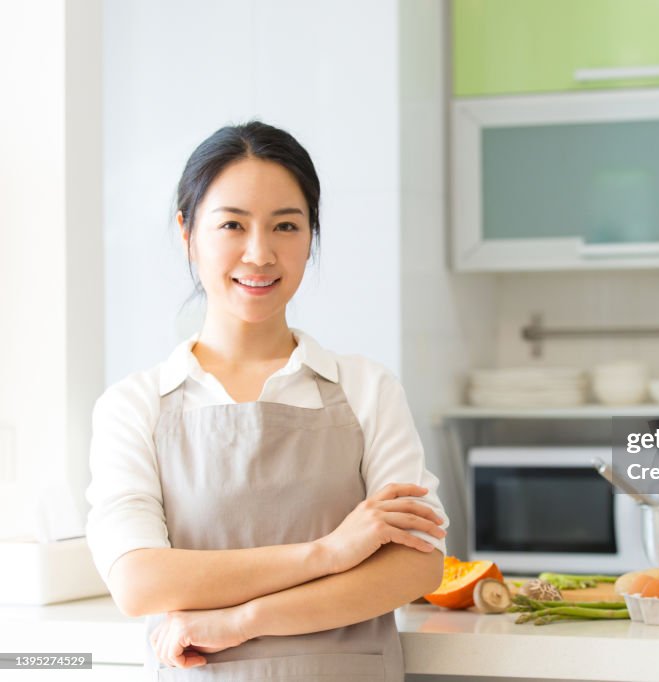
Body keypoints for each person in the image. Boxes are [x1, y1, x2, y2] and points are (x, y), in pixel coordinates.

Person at [85, 121, 447, 681]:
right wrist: (329, 553)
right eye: (232, 224)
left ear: (311, 237)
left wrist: (241, 621)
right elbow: (139, 582)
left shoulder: (367, 389)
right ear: (187, 232)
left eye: (286, 225)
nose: (260, 253)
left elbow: (415, 565)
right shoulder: (134, 407)